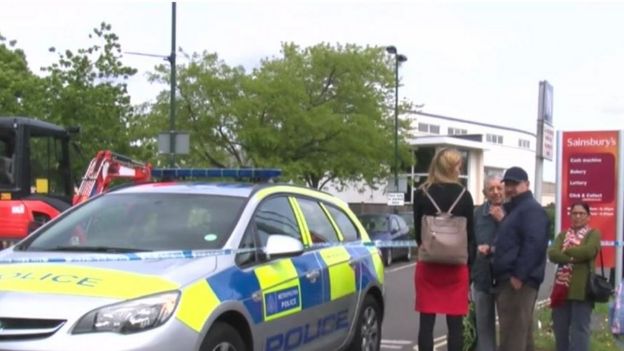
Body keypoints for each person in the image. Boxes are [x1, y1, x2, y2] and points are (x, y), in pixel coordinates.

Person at [413, 147, 475, 351]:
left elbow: (417, 235)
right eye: (459, 165)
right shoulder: (465, 196)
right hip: (456, 268)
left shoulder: (421, 194)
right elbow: (471, 236)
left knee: (426, 323)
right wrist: (470, 268)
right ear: (451, 168)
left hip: (429, 266)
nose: (460, 169)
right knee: (455, 325)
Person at [491, 166, 550, 351]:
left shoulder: (531, 210)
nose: (510, 188)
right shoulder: (516, 209)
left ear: (527, 184)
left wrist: (519, 275)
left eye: (515, 184)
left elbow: (534, 244)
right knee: (521, 337)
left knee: (511, 338)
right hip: (511, 280)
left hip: (517, 283)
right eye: (507, 184)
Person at [548, 202, 601, 351]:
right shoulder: (563, 235)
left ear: (588, 217)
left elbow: (589, 251)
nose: (577, 216)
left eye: (581, 213)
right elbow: (552, 254)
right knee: (560, 330)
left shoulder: (593, 234)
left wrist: (566, 252)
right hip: (561, 290)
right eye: (574, 213)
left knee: (580, 330)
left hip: (582, 290)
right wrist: (573, 257)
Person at [471, 175, 504, 351]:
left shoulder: (513, 212)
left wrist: (503, 220)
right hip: (482, 276)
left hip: (506, 278)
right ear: (485, 193)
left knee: (509, 327)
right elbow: (470, 245)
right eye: (491, 189)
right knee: (483, 326)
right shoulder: (477, 214)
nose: (496, 192)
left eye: (499, 188)